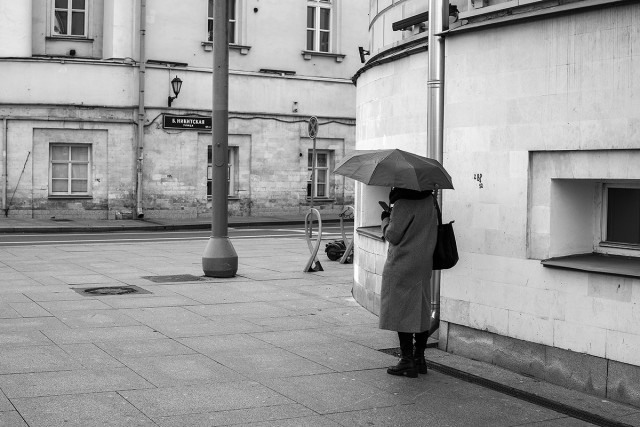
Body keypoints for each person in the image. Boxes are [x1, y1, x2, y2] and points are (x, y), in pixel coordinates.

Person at [379, 186, 438, 378]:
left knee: (400, 309)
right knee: (421, 308)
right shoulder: (430, 200)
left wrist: (386, 219)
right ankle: (419, 358)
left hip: (402, 263)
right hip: (423, 262)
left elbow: (392, 235)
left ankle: (406, 360)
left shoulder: (403, 203)